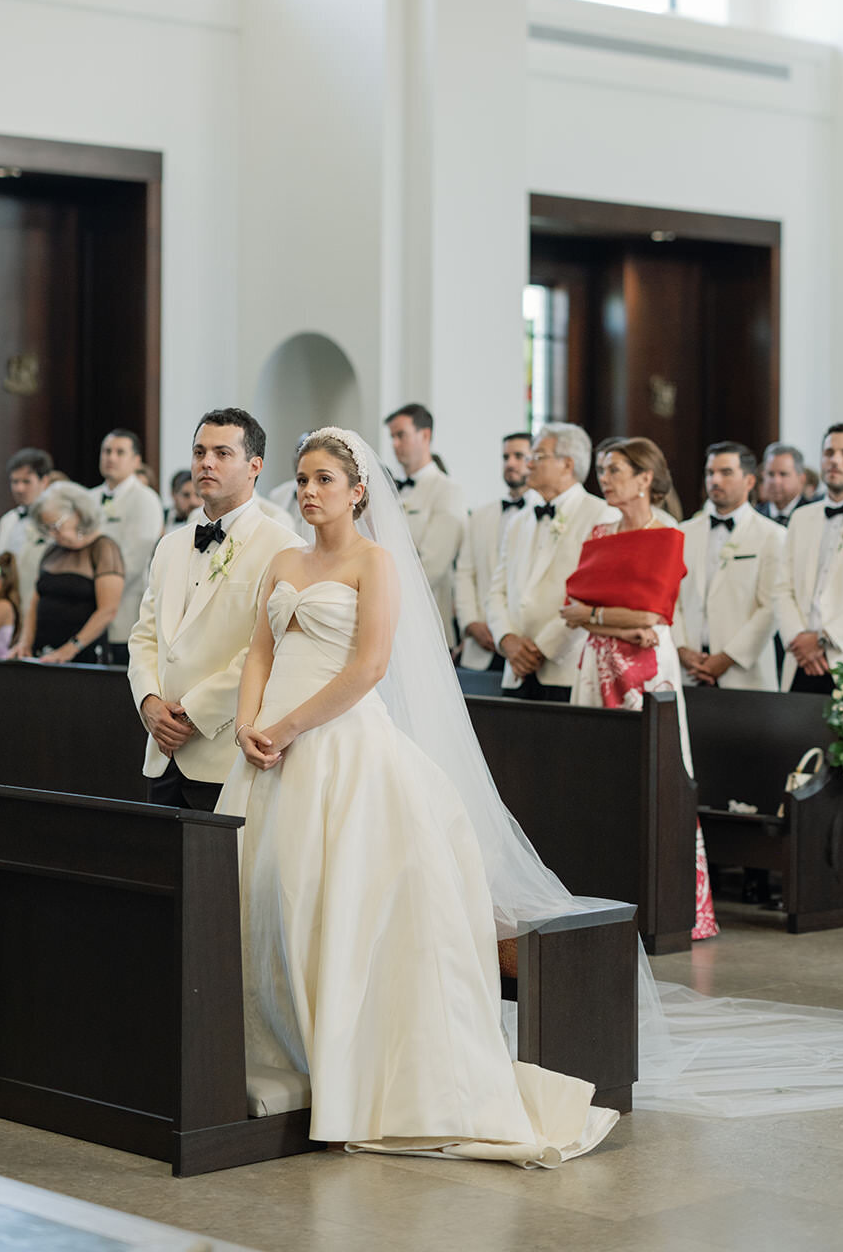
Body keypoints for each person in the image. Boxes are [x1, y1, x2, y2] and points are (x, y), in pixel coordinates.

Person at [217, 427, 617, 1162]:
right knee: (264, 897)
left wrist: (289, 726)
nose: (307, 492)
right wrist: (249, 725)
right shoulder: (282, 559)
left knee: (330, 899)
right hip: (265, 750)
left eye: (323, 480)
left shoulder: (377, 563)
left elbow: (369, 667)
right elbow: (260, 653)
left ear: (358, 490)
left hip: (339, 745)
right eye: (302, 479)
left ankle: (348, 1066)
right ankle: (278, 1057)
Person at [560, 436, 717, 941]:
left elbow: (652, 615)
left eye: (615, 469)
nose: (604, 478)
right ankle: (601, 893)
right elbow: (570, 605)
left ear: (645, 478)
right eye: (603, 469)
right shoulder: (600, 527)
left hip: (647, 667)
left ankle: (668, 903)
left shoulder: (668, 532)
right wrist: (615, 624)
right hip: (597, 661)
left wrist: (599, 616)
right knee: (594, 771)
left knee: (658, 771)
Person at [128, 409, 306, 811]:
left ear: (254, 467)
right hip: (162, 750)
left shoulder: (284, 548)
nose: (206, 462)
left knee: (221, 873)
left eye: (222, 453)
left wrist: (193, 714)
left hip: (225, 752)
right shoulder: (170, 545)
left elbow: (267, 650)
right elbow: (144, 635)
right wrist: (149, 702)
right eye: (199, 451)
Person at [487, 423, 612, 701]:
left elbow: (590, 595)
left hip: (567, 668)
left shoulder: (601, 516)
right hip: (515, 669)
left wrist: (541, 648)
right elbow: (497, 590)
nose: (527, 464)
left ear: (567, 464)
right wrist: (507, 639)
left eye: (538, 456)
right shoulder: (519, 520)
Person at [675, 442, 784, 691]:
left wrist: (726, 658)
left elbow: (770, 608)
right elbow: (671, 598)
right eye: (710, 472)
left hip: (744, 673)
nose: (715, 480)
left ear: (749, 481)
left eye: (726, 473)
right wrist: (681, 648)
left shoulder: (772, 535)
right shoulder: (683, 532)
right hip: (687, 668)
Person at [775, 422, 843, 694]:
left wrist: (823, 640)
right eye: (828, 453)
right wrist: (799, 640)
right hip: (799, 661)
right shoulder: (801, 517)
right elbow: (782, 587)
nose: (835, 460)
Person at [13, 482, 124, 665]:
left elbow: (107, 610)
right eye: (47, 528)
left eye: (56, 525)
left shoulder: (103, 548)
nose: (53, 533)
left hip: (82, 653)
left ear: (78, 514)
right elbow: (35, 601)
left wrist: (70, 649)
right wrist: (25, 641)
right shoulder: (52, 551)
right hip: (44, 650)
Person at [385, 402, 465, 646]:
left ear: (425, 435)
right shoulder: (389, 490)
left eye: (401, 435)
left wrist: (380, 596)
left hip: (424, 621)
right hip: (387, 622)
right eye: (392, 437)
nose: (395, 444)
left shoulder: (447, 490)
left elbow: (433, 564)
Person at [454, 431, 531, 672]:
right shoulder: (480, 515)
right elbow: (464, 573)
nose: (511, 463)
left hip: (525, 644)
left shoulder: (542, 515)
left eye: (519, 456)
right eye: (506, 456)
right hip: (482, 643)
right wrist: (471, 622)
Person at [91, 428, 165, 666]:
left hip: (125, 610)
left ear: (135, 461)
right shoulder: (88, 497)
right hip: (85, 610)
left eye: (119, 452)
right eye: (106, 451)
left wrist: (99, 589)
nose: (111, 457)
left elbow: (135, 559)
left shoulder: (146, 499)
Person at [0, 447, 53, 610]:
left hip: (42, 606)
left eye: (26, 482)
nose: (19, 488)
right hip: (9, 607)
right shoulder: (7, 520)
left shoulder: (57, 521)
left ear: (44, 481)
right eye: (15, 481)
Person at [755, 441, 816, 526]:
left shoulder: (815, 514)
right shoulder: (755, 515)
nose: (776, 481)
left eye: (783, 474)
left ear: (801, 479)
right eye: (770, 474)